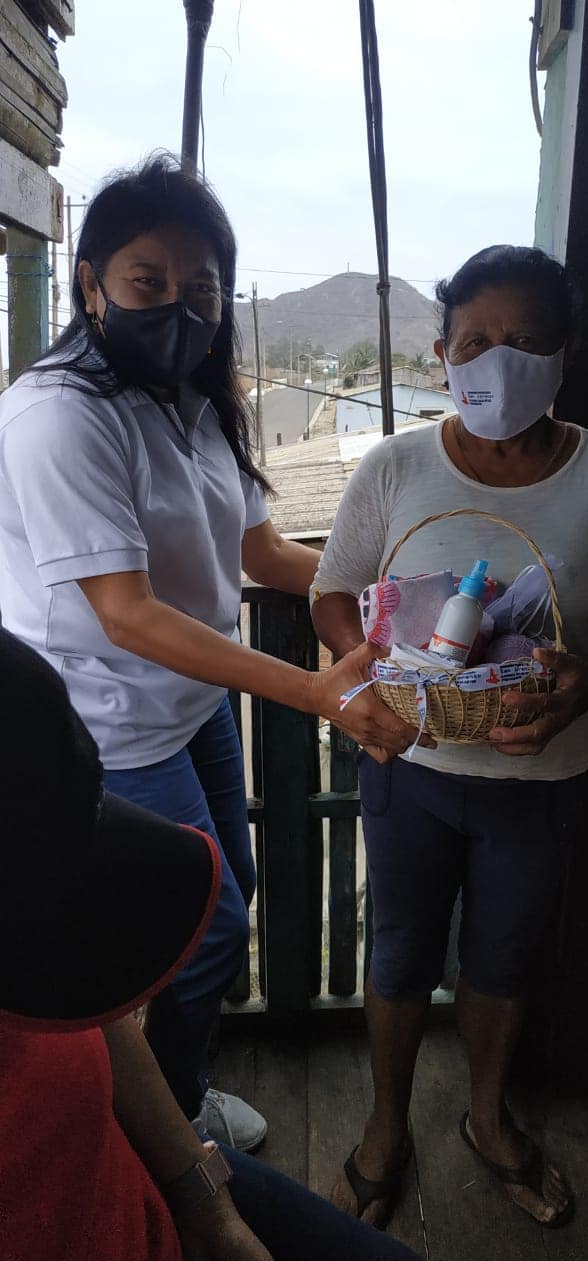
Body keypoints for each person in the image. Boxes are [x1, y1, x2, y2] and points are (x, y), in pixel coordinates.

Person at [0, 155, 415, 1151]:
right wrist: (316, 690)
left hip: (188, 704)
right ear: (91, 284)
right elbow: (128, 614)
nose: (178, 310)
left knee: (231, 889)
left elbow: (262, 554)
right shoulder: (58, 415)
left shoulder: (196, 396)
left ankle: (173, 1097)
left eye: (202, 290)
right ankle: (170, 1127)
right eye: (148, 283)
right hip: (106, 715)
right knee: (205, 925)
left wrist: (392, 592)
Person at [311, 245, 588, 1229]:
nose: (499, 361)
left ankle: (488, 1119)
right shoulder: (396, 463)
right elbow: (332, 591)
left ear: (567, 352)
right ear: (441, 351)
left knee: (503, 956)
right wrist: (366, 670)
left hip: (545, 772)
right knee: (400, 949)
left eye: (527, 342)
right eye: (475, 341)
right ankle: (385, 1127)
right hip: (410, 765)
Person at [0, 625, 444, 1261]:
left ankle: (188, 1105)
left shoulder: (44, 967)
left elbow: (88, 1015)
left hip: (145, 1174)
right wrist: (314, 690)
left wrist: (202, 1198)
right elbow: (125, 611)